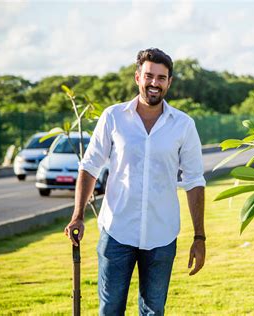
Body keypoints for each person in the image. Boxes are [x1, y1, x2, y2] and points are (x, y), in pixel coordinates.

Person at [64, 48, 206, 316]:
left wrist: (199, 236)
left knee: (154, 312)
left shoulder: (184, 125)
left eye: (161, 78)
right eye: (149, 76)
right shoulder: (113, 117)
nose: (155, 83)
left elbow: (194, 180)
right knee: (110, 311)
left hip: (162, 236)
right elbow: (90, 165)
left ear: (169, 82)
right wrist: (78, 215)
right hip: (116, 231)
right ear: (137, 77)